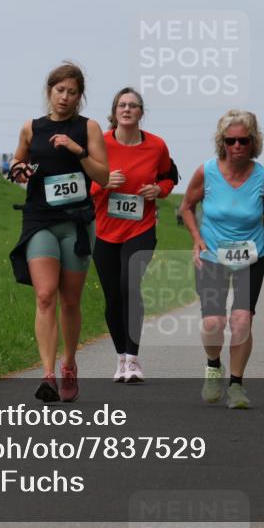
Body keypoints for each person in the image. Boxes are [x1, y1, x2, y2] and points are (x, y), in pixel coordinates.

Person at [7, 63, 109, 403]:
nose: (65, 97)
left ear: (80, 96)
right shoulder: (30, 128)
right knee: (45, 295)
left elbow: (104, 177)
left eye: (72, 92)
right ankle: (48, 374)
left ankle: (69, 364)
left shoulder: (88, 128)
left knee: (69, 300)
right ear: (49, 91)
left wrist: (76, 150)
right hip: (39, 220)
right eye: (59, 90)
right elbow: (17, 163)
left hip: (76, 223)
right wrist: (19, 170)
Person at [179, 110, 264, 409]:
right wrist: (197, 239)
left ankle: (237, 385)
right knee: (213, 322)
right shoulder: (207, 172)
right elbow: (186, 207)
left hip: (251, 254)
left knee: (241, 320)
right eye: (230, 141)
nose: (237, 146)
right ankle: (213, 366)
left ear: (253, 143)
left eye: (243, 141)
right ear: (222, 142)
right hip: (212, 254)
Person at [91, 88, 177, 384]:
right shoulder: (98, 144)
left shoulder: (156, 146)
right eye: (122, 105)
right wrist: (102, 183)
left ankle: (133, 358)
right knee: (113, 296)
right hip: (104, 230)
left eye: (133, 105)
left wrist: (159, 190)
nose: (127, 109)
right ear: (114, 111)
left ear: (141, 112)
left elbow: (169, 176)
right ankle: (120, 360)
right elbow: (83, 183)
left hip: (140, 228)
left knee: (130, 284)